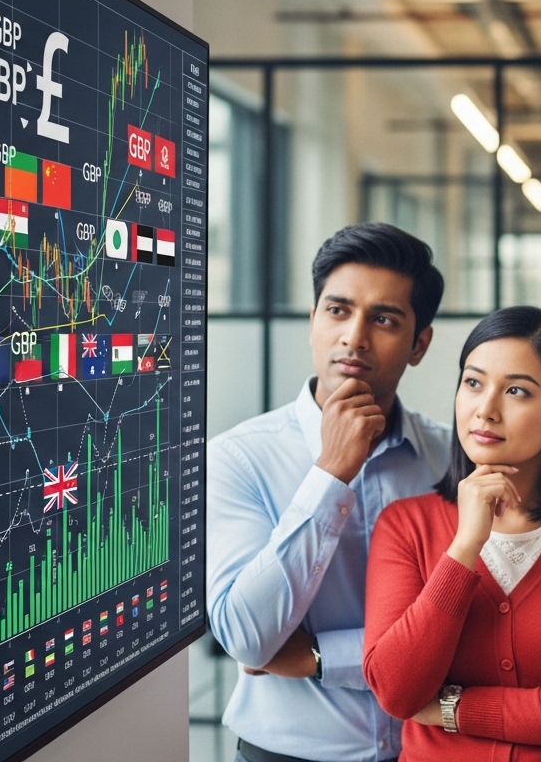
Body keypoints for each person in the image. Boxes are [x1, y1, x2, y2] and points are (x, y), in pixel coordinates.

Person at [206, 223, 451, 762]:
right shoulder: (236, 458)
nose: (354, 337)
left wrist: (316, 656)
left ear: (419, 344)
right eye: (338, 310)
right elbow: (247, 638)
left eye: (384, 319)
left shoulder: (452, 461)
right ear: (313, 321)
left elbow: (470, 633)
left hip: (430, 752)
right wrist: (331, 473)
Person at [363, 306, 541, 762]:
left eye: (517, 390)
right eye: (473, 383)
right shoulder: (405, 525)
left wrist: (452, 709)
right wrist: (465, 547)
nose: (486, 409)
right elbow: (397, 692)